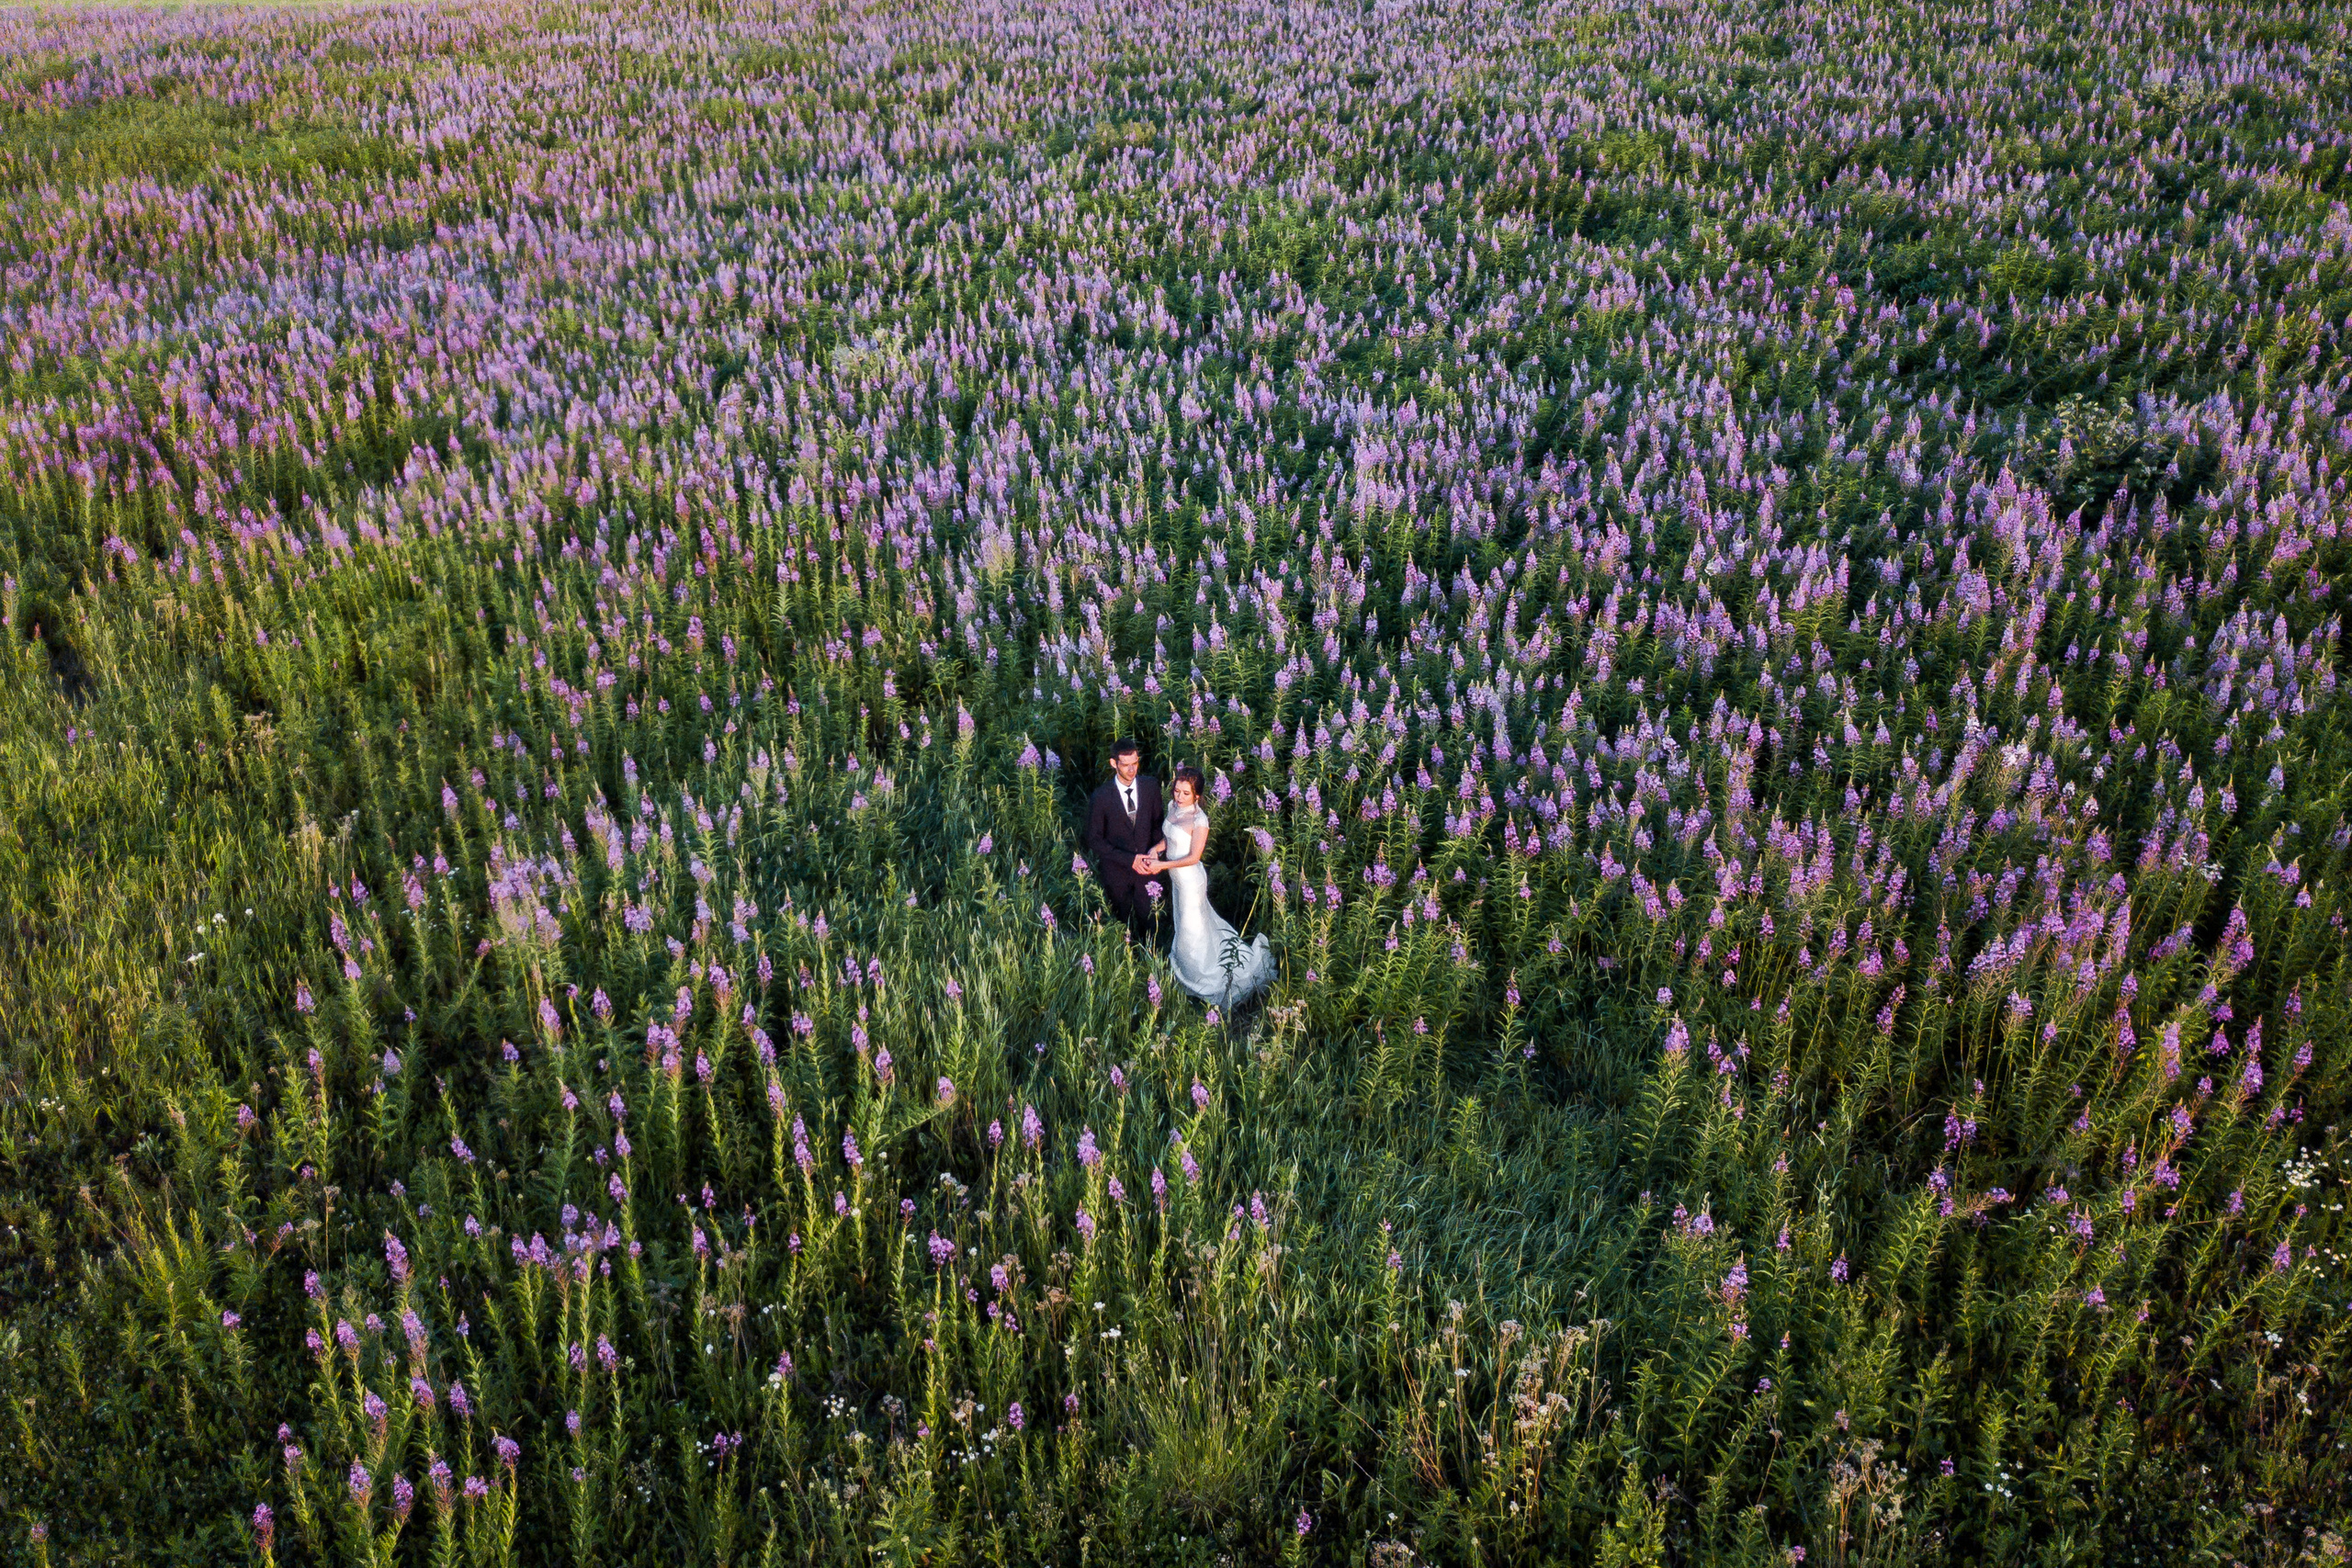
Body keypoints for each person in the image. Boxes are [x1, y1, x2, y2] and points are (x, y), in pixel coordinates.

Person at [1144, 765, 1274, 1006]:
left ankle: (1201, 979)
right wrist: (1156, 849)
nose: (1178, 797)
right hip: (1176, 879)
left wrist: (1161, 866)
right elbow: (1170, 835)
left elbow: (1194, 857)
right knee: (1185, 924)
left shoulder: (1199, 820)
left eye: (1185, 793)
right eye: (1176, 791)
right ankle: (1187, 970)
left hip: (1191, 881)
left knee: (1192, 929)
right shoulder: (1174, 807)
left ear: (1197, 796)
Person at [1084, 739, 1166, 942]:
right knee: (1123, 925)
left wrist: (1156, 854)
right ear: (1114, 763)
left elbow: (1158, 825)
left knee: (1152, 923)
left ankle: (1154, 961)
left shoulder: (1150, 787)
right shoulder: (1101, 796)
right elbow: (1094, 839)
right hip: (1117, 873)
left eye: (1135, 763)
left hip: (1147, 870)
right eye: (1125, 764)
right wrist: (1129, 859)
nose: (1132, 769)